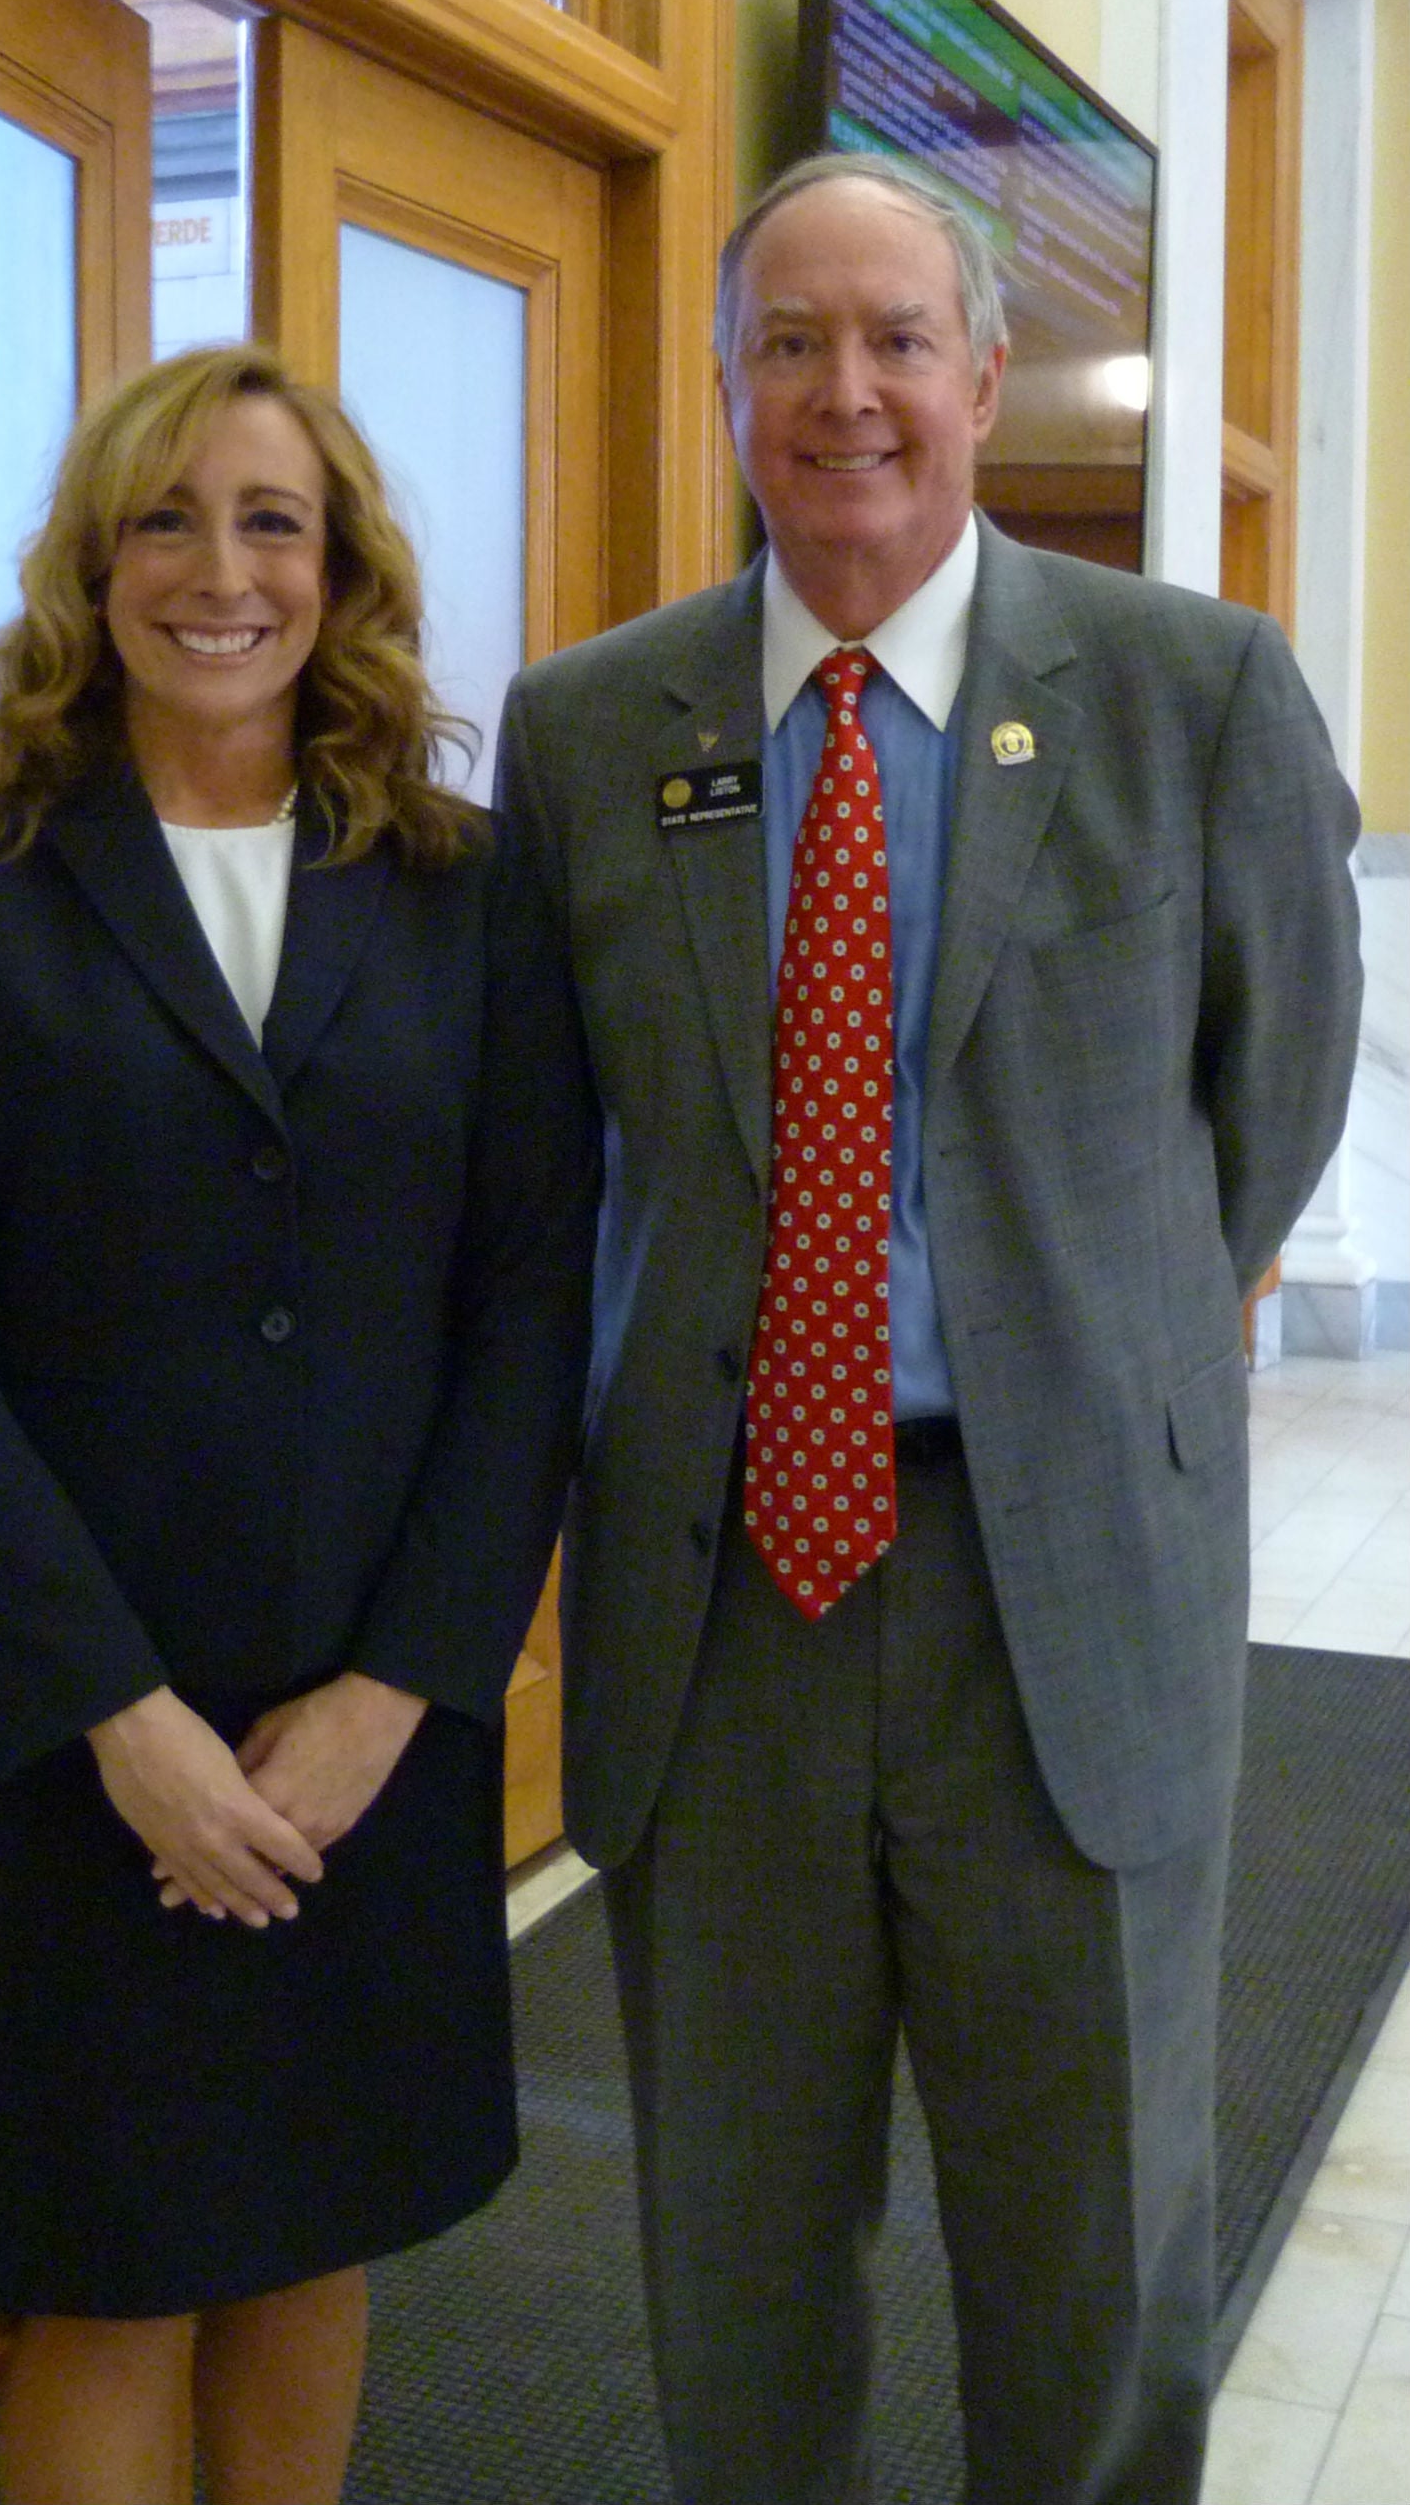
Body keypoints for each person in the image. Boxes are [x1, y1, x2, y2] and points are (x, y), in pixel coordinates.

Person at [494, 152, 1363, 2505]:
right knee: (741, 2268)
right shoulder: (588, 730)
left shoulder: (1189, 693)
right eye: (789, 341)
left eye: (895, 339)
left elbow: (1260, 1105)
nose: (844, 391)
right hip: (721, 1613)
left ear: (984, 375)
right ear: (725, 389)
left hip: (1063, 1597)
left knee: (1090, 2270)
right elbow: (539, 1162)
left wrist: (1097, 1340)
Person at [0, 343, 596, 2505]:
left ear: (337, 567)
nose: (219, 570)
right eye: (167, 517)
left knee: (306, 2233)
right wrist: (115, 1716)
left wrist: (401, 1689)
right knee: (110, 2270)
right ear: (95, 563)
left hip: (365, 1721)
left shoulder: (461, 884)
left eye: (271, 520)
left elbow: (529, 1295)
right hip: (78, 1732)